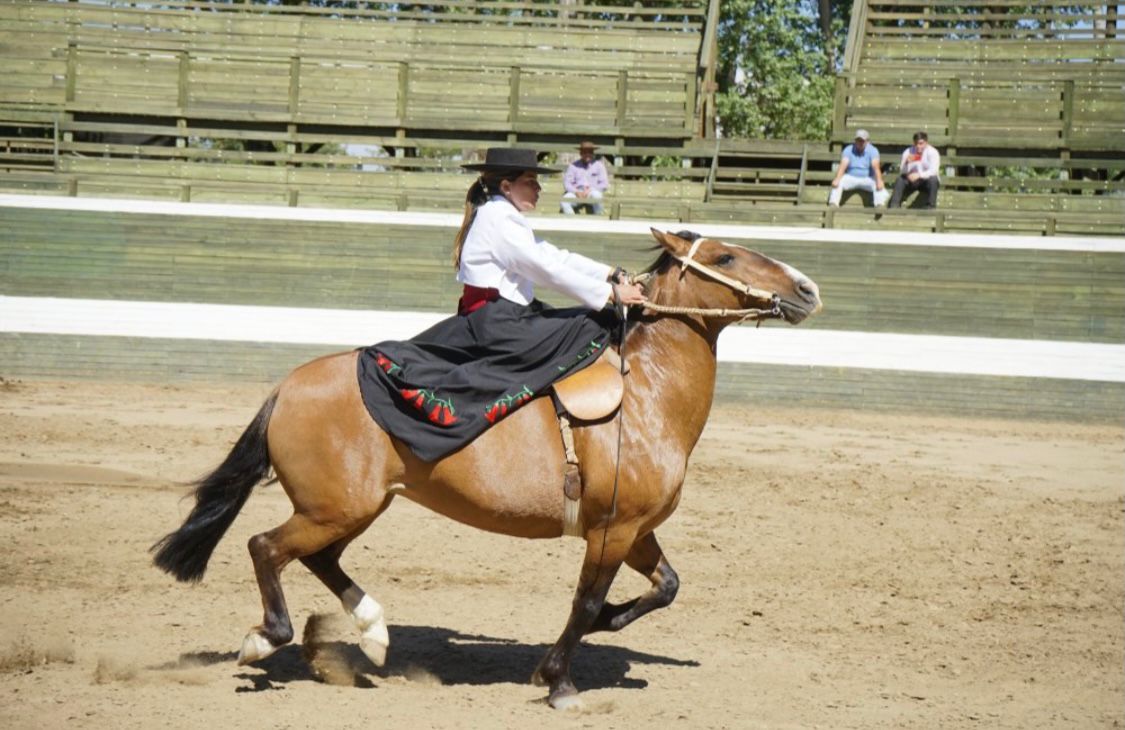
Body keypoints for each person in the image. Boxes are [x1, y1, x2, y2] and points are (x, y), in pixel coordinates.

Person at [356, 147, 646, 462]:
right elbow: (545, 268)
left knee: (587, 318)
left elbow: (551, 256)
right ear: (506, 187)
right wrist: (612, 295)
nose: (539, 189)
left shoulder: (502, 215)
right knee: (595, 324)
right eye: (531, 181)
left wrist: (610, 273)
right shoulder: (499, 219)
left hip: (503, 316)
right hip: (500, 323)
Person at [828, 129, 888, 207]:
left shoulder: (873, 150)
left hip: (867, 178)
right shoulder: (848, 149)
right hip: (851, 177)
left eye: (862, 141)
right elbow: (843, 165)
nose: (860, 143)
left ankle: (879, 205)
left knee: (877, 183)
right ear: (855, 141)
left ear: (867, 141)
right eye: (858, 140)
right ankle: (833, 204)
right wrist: (837, 179)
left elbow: (876, 167)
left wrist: (879, 180)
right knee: (839, 181)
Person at [889, 131, 941, 209]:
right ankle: (894, 205)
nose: (918, 146)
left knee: (934, 179)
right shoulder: (908, 152)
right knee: (900, 179)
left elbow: (934, 171)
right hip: (912, 180)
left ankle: (930, 206)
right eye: (916, 143)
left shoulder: (933, 152)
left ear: (926, 143)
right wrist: (906, 164)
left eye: (921, 143)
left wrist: (919, 175)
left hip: (926, 181)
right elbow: (902, 171)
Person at [560, 141, 610, 215]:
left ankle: (598, 221)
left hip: (592, 192)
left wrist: (590, 190)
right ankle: (573, 222)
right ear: (580, 153)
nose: (587, 154)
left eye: (589, 152)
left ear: (593, 153)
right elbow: (567, 183)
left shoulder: (599, 166)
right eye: (584, 152)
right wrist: (576, 192)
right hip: (577, 193)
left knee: (597, 196)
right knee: (564, 201)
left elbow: (604, 184)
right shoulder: (573, 166)